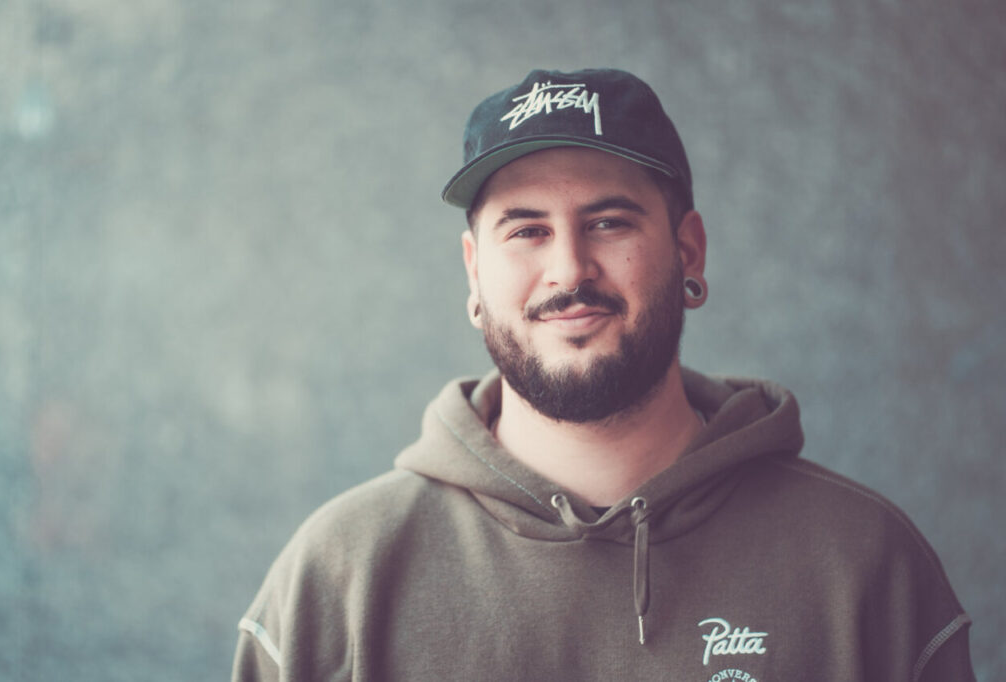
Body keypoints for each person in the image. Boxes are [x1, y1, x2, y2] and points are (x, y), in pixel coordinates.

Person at [231, 68, 974, 681]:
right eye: (527, 230)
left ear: (688, 250)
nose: (569, 270)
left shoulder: (864, 564)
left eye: (610, 222)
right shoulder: (338, 579)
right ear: (474, 272)